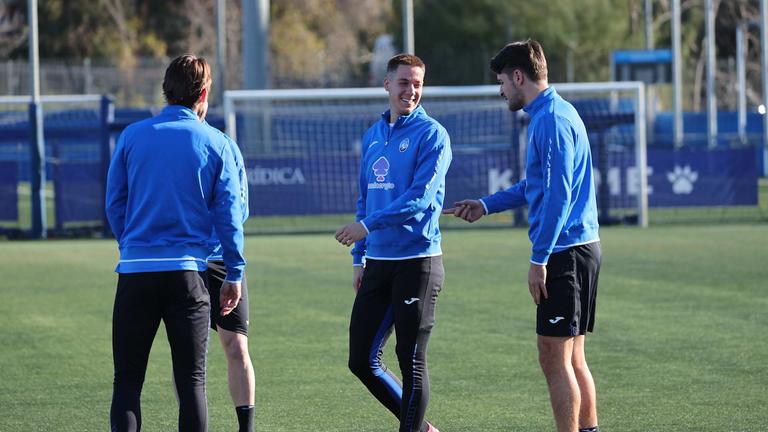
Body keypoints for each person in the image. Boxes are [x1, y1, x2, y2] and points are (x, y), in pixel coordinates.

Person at [443, 39, 601, 432]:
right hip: (580, 247)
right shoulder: (556, 112)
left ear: (518, 77)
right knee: (572, 357)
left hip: (565, 253)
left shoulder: (551, 120)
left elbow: (558, 198)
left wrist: (539, 259)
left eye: (502, 82)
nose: (501, 90)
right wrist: (486, 204)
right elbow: (537, 186)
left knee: (554, 356)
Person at [106, 54, 246, 432]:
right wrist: (234, 271)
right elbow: (230, 216)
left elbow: (114, 203)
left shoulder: (132, 136)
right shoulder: (216, 143)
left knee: (127, 383)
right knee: (191, 383)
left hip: (135, 274)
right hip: (188, 275)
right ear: (203, 93)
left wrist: (133, 245)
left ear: (166, 89)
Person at [335, 53, 452, 432]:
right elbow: (364, 198)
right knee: (360, 359)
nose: (411, 90)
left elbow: (419, 199)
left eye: (417, 83)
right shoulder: (372, 136)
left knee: (410, 359)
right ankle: (424, 428)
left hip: (418, 262)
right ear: (387, 84)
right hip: (378, 263)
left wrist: (365, 228)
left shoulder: (433, 135)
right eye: (404, 82)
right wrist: (359, 257)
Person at [204, 136, 255, 432]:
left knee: (236, 346)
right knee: (188, 352)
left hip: (222, 258)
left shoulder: (224, 145)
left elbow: (241, 205)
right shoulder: (171, 144)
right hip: (186, 260)